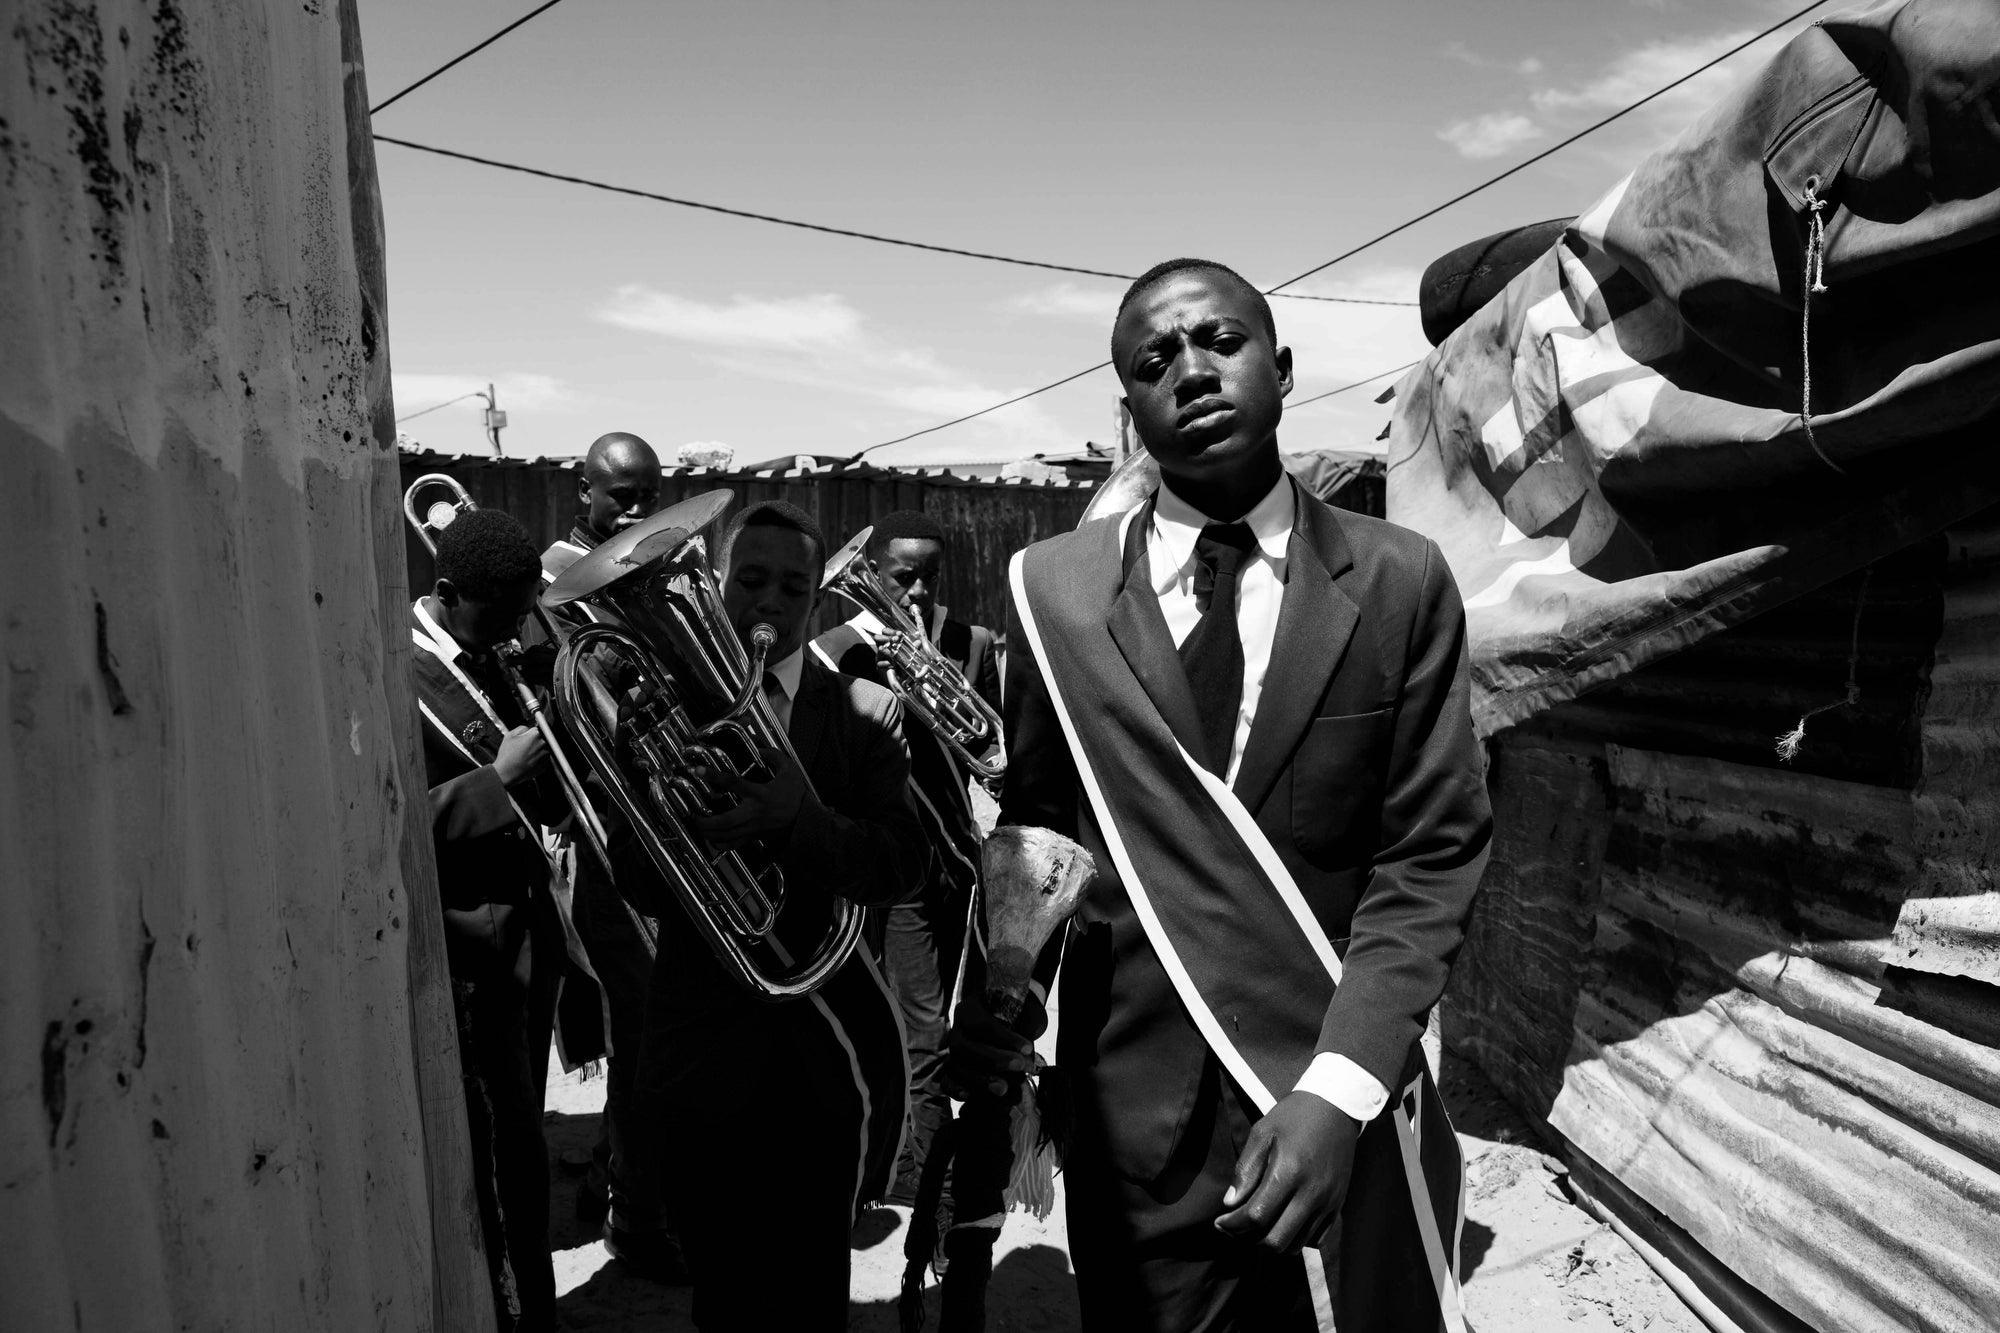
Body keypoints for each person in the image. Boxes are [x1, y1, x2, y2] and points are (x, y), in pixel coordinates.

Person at [948, 258, 1492, 1331]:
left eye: (1218, 342)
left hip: (1333, 1090)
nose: (1189, 371)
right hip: (1128, 1117)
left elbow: (1428, 854)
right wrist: (1003, 983)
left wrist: (1337, 1095)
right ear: (1126, 409)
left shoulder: (1398, 583)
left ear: (1280, 368)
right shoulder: (1051, 591)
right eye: (1154, 361)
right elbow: (1041, 830)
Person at [641, 500, 929, 1331]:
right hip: (700, 1044)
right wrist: (670, 820)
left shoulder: (863, 713)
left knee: (808, 1291)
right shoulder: (669, 703)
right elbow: (627, 875)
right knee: (722, 1295)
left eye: (792, 587)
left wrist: (797, 820)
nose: (769, 600)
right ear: (719, 583)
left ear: (816, 600)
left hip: (821, 1050)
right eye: (752, 579)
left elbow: (902, 865)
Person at [812, 510, 1001, 1203]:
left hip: (960, 864)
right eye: (902, 577)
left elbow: (996, 754)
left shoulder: (968, 642)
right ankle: (921, 1170)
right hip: (893, 871)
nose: (917, 593)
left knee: (960, 1016)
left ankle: (912, 1153)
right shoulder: (836, 654)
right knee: (916, 1021)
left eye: (930, 578)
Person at [411, 507, 569, 1333]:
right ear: (446, 594)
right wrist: (498, 782)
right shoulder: (396, 669)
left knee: (521, 1146)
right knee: (498, 1159)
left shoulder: (488, 651)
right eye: (503, 615)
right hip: (469, 952)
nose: (516, 632)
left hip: (523, 940)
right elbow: (387, 824)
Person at [534, 430, 681, 1279]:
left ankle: (610, 1174)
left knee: (651, 1025)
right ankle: (641, 1217)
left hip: (662, 832)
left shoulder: (652, 574)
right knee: (647, 1027)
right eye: (619, 494)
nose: (633, 508)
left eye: (647, 493)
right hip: (605, 836)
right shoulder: (557, 590)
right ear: (581, 489)